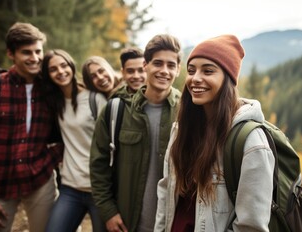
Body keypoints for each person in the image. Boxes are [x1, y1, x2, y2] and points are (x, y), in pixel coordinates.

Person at [154, 35, 275, 231]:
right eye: (191, 71)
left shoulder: (250, 141)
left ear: (228, 79)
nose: (195, 79)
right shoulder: (181, 130)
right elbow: (166, 191)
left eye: (208, 71)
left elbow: (251, 226)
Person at [90, 34, 182, 232]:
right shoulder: (115, 110)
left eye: (171, 65)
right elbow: (99, 166)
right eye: (158, 63)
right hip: (126, 222)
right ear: (146, 65)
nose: (164, 71)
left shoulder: (188, 113)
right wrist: (108, 212)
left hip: (171, 224)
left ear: (178, 69)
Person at [0, 22, 63, 232]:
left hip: (39, 181)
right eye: (26, 52)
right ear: (11, 54)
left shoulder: (52, 88)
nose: (34, 57)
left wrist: (51, 159)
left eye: (38, 51)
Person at [41, 49, 107, 232]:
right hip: (71, 188)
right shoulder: (55, 103)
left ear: (71, 66)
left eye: (63, 65)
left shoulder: (95, 99)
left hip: (99, 190)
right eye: (53, 69)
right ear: (48, 75)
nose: (60, 72)